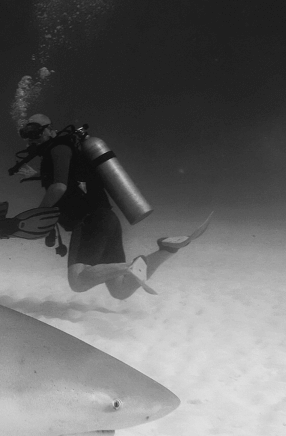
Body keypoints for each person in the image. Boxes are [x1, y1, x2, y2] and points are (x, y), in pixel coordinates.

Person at [19, 115, 196, 299]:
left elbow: (59, 187)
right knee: (120, 290)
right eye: (27, 134)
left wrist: (37, 215)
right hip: (106, 220)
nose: (32, 138)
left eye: (35, 131)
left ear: (48, 129)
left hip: (90, 221)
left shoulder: (58, 147)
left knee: (78, 281)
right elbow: (69, 175)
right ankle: (166, 250)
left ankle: (130, 267)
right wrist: (38, 175)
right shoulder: (64, 149)